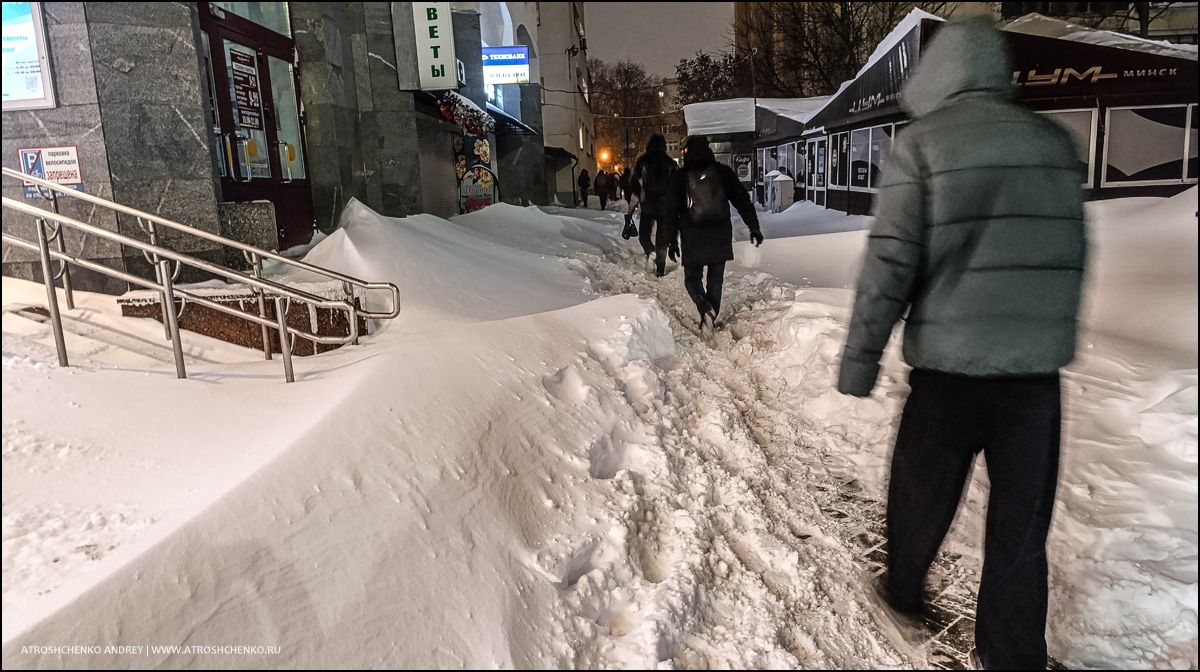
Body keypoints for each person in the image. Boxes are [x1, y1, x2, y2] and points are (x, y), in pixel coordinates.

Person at [834, 18, 1086, 671]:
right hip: (1033, 381)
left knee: (919, 495)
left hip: (948, 373)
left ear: (939, 74)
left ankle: (905, 588)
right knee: (1021, 532)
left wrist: (860, 361)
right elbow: (1068, 258)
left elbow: (891, 263)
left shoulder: (924, 145)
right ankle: (1011, 654)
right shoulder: (1053, 145)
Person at [659, 135, 763, 328]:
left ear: (687, 152)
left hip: (693, 235)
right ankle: (710, 316)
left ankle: (705, 307)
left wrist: (672, 241)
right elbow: (742, 200)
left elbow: (670, 212)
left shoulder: (680, 178)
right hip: (720, 234)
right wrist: (753, 227)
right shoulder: (723, 173)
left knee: (692, 279)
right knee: (715, 280)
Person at [630, 134, 678, 270]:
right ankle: (660, 267)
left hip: (648, 203)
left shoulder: (643, 160)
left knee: (644, 235)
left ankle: (651, 252)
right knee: (662, 235)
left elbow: (633, 181)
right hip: (665, 204)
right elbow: (677, 184)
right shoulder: (670, 162)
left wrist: (640, 194)